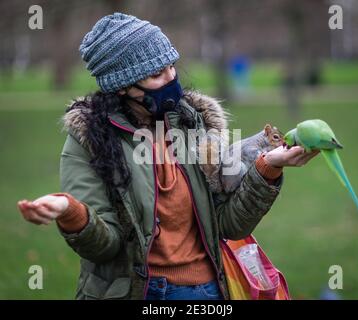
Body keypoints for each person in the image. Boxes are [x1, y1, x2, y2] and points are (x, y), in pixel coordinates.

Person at [17, 13, 319, 300]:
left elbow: (228, 225)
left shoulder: (195, 123)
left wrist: (267, 167)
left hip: (211, 290)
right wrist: (70, 211)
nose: (171, 77)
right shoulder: (90, 142)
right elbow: (104, 247)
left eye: (171, 66)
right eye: (156, 73)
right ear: (123, 86)